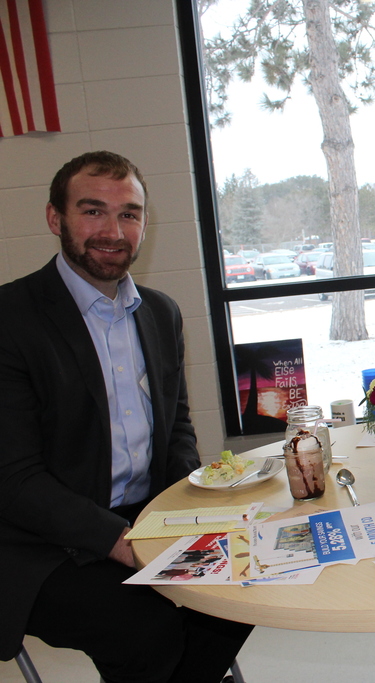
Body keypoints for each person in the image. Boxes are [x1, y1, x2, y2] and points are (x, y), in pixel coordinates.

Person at [0, 151, 252, 682]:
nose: (113, 231)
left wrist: (191, 500)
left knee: (245, 587)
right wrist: (125, 542)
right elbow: (15, 480)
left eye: (130, 214)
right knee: (146, 631)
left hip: (143, 515)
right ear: (55, 219)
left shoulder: (160, 312)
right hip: (39, 544)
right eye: (93, 212)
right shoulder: (11, 319)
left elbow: (177, 426)